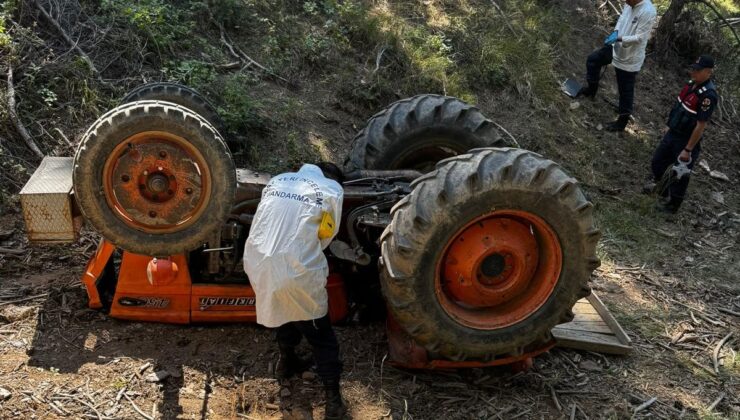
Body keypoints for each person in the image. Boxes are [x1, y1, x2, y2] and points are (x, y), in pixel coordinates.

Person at [243, 162, 347, 419]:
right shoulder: (332, 189)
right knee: (320, 335)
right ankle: (333, 400)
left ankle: (286, 363)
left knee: (282, 308)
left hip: (257, 260)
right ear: (332, 177)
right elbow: (327, 233)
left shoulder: (278, 180)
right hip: (296, 268)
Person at [646, 55, 717, 214]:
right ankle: (662, 190)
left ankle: (673, 205)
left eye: (698, 71)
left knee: (680, 174)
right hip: (673, 133)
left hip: (686, 140)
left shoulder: (708, 96)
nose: (693, 73)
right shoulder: (691, 84)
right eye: (693, 69)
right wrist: (668, 126)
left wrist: (688, 149)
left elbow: (700, 125)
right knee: (658, 163)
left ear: (708, 72)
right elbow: (679, 108)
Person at [578, 0, 657, 131]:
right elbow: (622, 19)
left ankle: (622, 122)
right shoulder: (629, 4)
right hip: (616, 46)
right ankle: (591, 90)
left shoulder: (648, 11)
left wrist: (619, 38)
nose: (625, 1)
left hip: (629, 56)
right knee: (593, 60)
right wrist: (615, 32)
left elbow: (640, 38)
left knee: (625, 89)